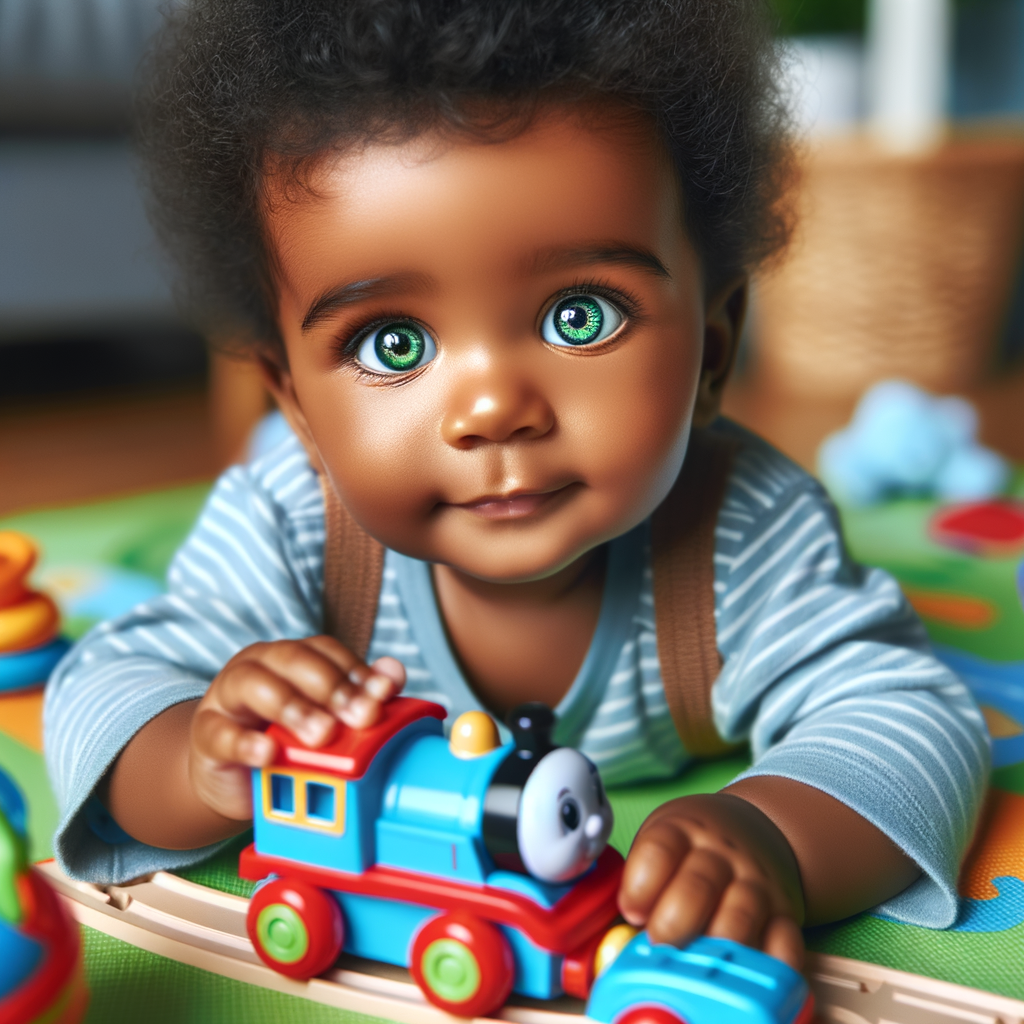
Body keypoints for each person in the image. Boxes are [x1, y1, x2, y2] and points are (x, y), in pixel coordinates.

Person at [45, 0, 988, 970]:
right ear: (296, 406)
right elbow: (101, 692)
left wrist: (774, 836)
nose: (493, 408)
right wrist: (200, 759)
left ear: (712, 351)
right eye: (393, 344)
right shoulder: (292, 521)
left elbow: (907, 714)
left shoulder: (742, 529)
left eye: (580, 316)